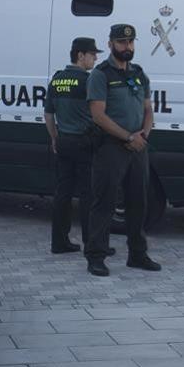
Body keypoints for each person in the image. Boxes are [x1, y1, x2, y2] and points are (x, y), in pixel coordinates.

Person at [85, 24, 161, 277]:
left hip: (138, 147)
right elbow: (98, 115)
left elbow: (148, 109)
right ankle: (96, 256)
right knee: (104, 203)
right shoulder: (101, 74)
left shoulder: (139, 74)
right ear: (110, 44)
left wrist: (143, 136)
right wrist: (127, 136)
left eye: (130, 42)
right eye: (121, 42)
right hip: (111, 147)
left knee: (138, 202)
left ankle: (137, 255)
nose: (127, 47)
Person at [44, 37, 105, 255]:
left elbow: (48, 114)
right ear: (80, 55)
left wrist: (54, 138)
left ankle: (59, 242)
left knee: (63, 194)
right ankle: (93, 244)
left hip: (63, 142)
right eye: (92, 54)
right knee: (89, 195)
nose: (96, 58)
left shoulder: (57, 79)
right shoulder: (88, 81)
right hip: (84, 143)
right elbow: (99, 114)